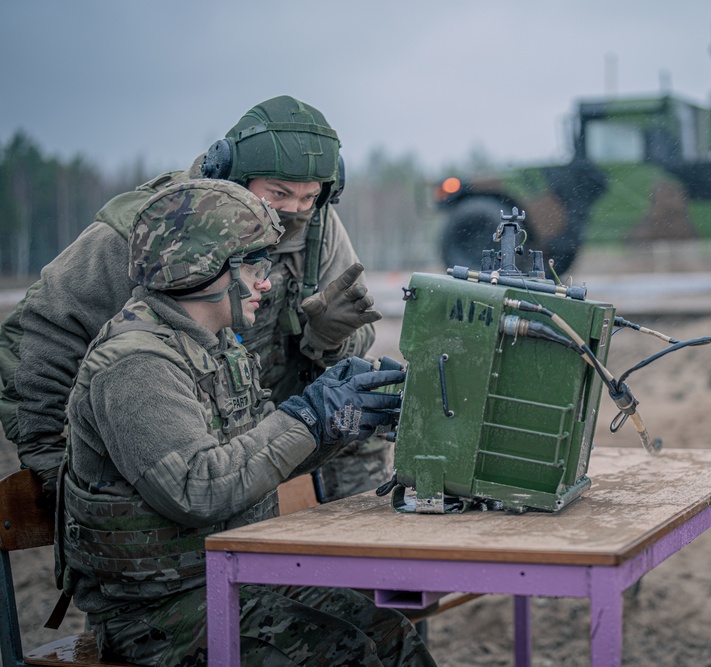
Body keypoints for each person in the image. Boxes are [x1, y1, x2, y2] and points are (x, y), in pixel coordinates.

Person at [58, 178, 434, 666]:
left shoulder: (216, 347)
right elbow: (200, 489)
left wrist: (340, 421)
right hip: (157, 614)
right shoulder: (136, 366)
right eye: (255, 264)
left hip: (230, 575)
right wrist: (309, 413)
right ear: (202, 270)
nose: (267, 281)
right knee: (344, 654)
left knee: (387, 633)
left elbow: (255, 460)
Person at [0, 95, 390, 503]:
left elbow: (352, 341)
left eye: (309, 198)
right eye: (278, 194)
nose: (293, 212)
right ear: (233, 176)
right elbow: (43, 328)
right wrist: (49, 459)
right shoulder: (159, 226)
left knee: (357, 414)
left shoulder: (318, 226)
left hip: (258, 417)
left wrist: (328, 340)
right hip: (167, 416)